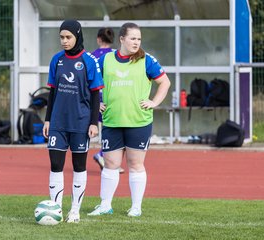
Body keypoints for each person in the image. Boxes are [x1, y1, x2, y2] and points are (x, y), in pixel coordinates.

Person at [88, 22, 171, 217]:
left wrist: (154, 102)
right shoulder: (106, 59)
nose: (136, 42)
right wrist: (96, 102)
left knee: (135, 165)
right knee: (110, 164)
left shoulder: (146, 60)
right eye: (132, 38)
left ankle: (136, 207)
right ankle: (105, 205)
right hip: (112, 120)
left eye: (139, 39)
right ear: (122, 39)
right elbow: (89, 81)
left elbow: (165, 82)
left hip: (138, 122)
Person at [43, 19, 103, 223]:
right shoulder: (56, 60)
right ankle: (56, 209)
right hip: (58, 123)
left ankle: (75, 210)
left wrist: (94, 123)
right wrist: (47, 120)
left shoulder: (89, 61)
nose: (64, 41)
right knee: (55, 164)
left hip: (81, 123)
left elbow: (96, 95)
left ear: (77, 36)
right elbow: (52, 92)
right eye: (61, 37)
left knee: (79, 166)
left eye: (68, 37)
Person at [91, 27, 124, 174]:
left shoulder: (91, 56)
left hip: (96, 96)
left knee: (102, 128)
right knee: (115, 129)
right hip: (112, 95)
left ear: (98, 39)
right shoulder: (115, 55)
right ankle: (106, 157)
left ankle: (106, 158)